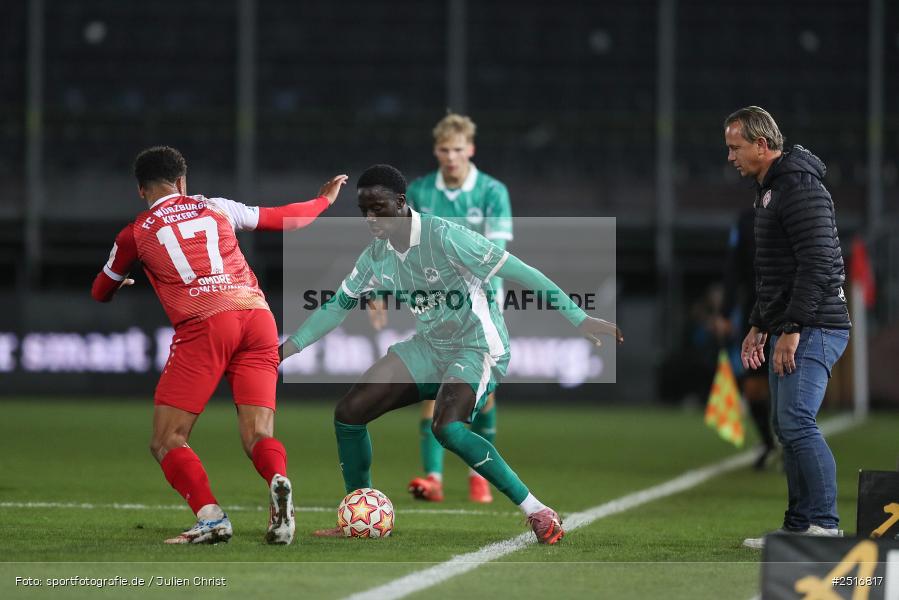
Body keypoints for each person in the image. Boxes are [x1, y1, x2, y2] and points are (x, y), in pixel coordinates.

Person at [280, 164, 622, 544]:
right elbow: (336, 307)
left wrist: (578, 317)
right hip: (429, 347)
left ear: (400, 202)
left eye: (377, 208)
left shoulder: (444, 236)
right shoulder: (377, 255)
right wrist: (286, 350)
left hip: (477, 345)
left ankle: (538, 511)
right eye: (363, 211)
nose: (370, 218)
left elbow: (522, 271)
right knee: (349, 413)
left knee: (447, 427)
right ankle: (359, 513)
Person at [91, 145, 347, 545]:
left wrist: (119, 284)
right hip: (258, 319)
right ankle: (278, 479)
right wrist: (323, 199)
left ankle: (211, 517)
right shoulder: (217, 207)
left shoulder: (136, 232)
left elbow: (100, 290)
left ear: (141, 190)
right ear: (182, 182)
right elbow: (287, 220)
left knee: (167, 439)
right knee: (258, 435)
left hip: (206, 324)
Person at [367, 113, 512, 503]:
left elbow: (496, 254)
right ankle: (433, 477)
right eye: (445, 149)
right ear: (436, 151)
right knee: (435, 387)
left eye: (458, 149)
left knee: (480, 395)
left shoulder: (493, 192)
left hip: (481, 303)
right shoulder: (420, 191)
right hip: (434, 303)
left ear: (471, 150)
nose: (452, 156)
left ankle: (476, 474)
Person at [723, 107, 851, 549]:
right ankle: (799, 528)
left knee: (796, 421)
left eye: (735, 147)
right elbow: (774, 272)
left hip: (816, 324)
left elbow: (819, 264)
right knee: (786, 425)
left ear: (762, 145)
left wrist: (792, 326)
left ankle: (825, 526)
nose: (731, 157)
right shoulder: (772, 189)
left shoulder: (798, 187)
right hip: (795, 322)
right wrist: (761, 323)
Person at [713, 207, 776, 470]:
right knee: (754, 387)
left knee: (790, 384)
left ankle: (794, 446)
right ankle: (768, 443)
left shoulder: (794, 206)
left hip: (791, 308)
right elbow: (732, 267)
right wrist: (726, 312)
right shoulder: (745, 219)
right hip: (756, 312)